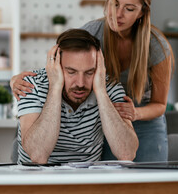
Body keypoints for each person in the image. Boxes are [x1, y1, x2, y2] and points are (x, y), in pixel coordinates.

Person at [12, 0, 174, 162]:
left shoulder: (156, 48)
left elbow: (160, 104)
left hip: (139, 114)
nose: (117, 14)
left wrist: (134, 112)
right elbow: (62, 65)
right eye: (114, 4)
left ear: (142, 13)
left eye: (129, 9)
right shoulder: (92, 33)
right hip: (106, 112)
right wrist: (17, 79)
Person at [16, 29, 138, 164]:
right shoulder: (32, 84)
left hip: (87, 180)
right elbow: (38, 155)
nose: (80, 83)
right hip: (37, 180)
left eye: (89, 72)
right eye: (71, 72)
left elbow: (127, 153)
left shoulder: (109, 86)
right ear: (55, 66)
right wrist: (55, 88)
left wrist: (101, 91)